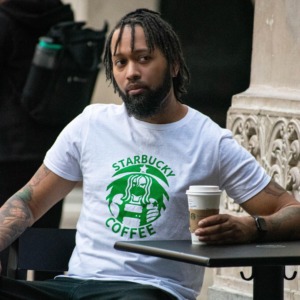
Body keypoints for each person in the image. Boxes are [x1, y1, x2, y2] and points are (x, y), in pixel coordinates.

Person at [0, 8, 300, 300]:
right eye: (120, 62)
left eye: (144, 59)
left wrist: (253, 227)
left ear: (173, 65)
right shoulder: (90, 125)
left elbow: (292, 211)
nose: (131, 73)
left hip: (150, 288)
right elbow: (29, 202)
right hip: (74, 285)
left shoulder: (209, 140)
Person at [0, 0, 74, 278]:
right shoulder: (62, 16)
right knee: (47, 232)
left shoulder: (4, 21)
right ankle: (48, 291)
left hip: (7, 146)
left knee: (7, 228)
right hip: (53, 143)